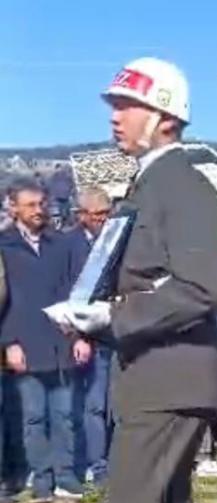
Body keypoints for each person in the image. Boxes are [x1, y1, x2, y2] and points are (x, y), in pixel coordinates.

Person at [62, 57, 217, 503]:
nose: (115, 116)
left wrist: (115, 315)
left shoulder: (183, 186)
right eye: (114, 106)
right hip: (157, 375)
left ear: (165, 117)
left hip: (170, 379)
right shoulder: (152, 184)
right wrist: (93, 314)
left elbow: (203, 287)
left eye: (127, 105)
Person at [0, 179, 91, 503]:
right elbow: (4, 301)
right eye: (31, 205)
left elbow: (74, 291)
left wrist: (80, 335)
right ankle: (41, 480)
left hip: (61, 342)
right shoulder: (4, 246)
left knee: (65, 414)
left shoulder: (60, 244)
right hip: (24, 344)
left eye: (41, 203)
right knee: (33, 417)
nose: (39, 210)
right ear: (13, 208)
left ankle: (65, 476)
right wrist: (9, 343)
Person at [66, 186, 114, 486]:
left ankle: (117, 461)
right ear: (81, 215)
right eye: (96, 214)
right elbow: (64, 291)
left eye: (106, 213)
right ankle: (96, 466)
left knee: (115, 405)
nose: (101, 219)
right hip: (86, 335)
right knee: (92, 405)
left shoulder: (117, 240)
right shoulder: (68, 244)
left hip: (116, 332)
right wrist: (76, 335)